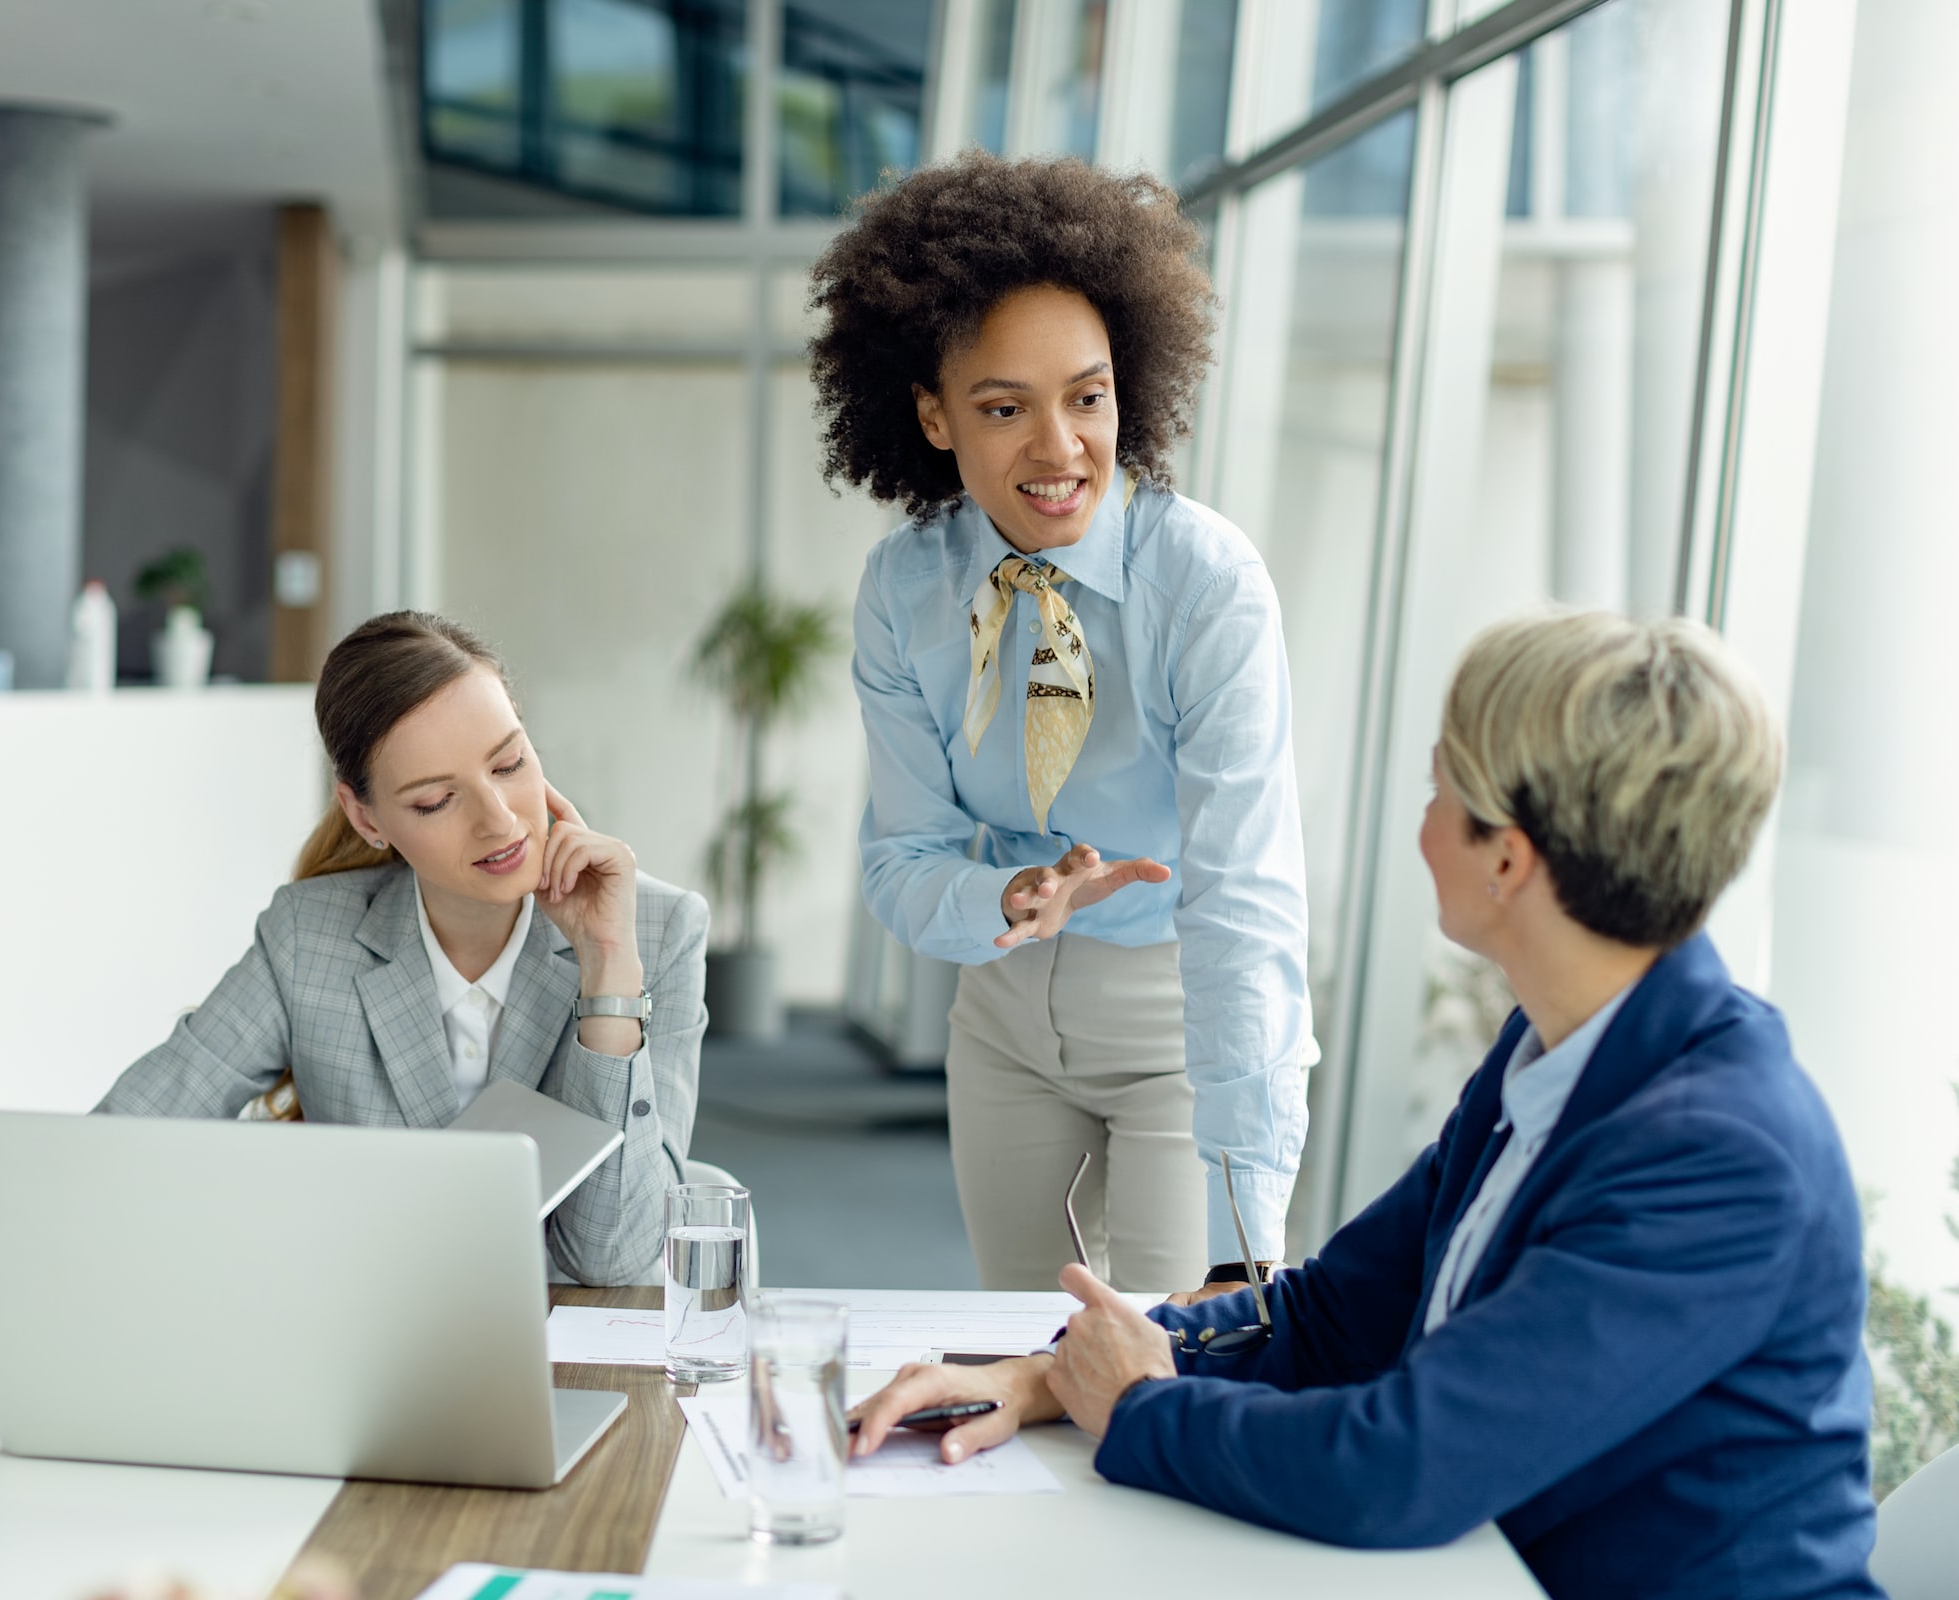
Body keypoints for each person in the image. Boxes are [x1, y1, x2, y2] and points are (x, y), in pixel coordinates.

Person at [849, 610, 1881, 1599]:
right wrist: (1049, 1374)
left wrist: (1137, 1406)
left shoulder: (1721, 1154)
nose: (1423, 824)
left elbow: (1405, 1464)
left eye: (1438, 790)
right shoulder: (1558, 1044)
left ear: (1508, 858)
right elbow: (1335, 1315)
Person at [811, 152, 1314, 1294]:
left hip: (1179, 1017)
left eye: (1087, 396)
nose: (1060, 448)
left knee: (1168, 1367)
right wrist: (1008, 901)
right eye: (1004, 407)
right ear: (933, 415)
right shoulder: (906, 589)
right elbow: (900, 861)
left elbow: (1247, 898)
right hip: (999, 1017)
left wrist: (1247, 1224)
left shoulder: (1206, 585)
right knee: (1020, 1351)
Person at [96, 611, 709, 1287]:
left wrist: (607, 971)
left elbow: (614, 1257)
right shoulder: (311, 937)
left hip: (569, 1356)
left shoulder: (656, 930)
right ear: (366, 818)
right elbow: (124, 1140)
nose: (500, 820)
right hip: (360, 1342)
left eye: (509, 764)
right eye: (437, 800)